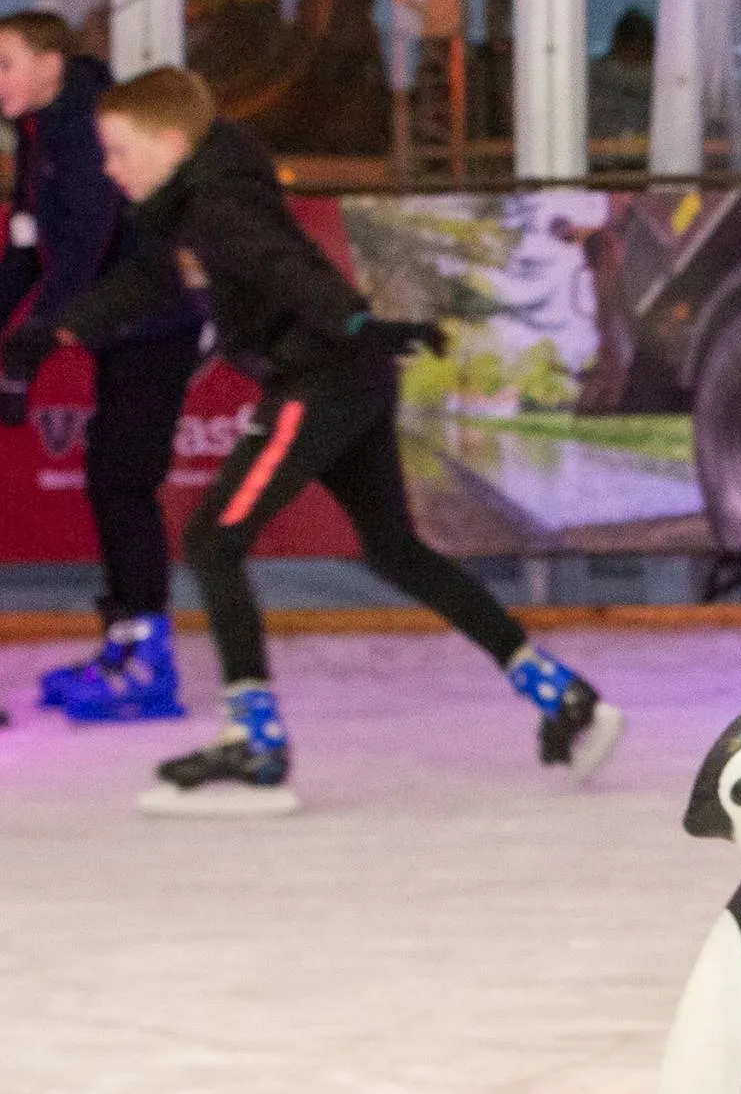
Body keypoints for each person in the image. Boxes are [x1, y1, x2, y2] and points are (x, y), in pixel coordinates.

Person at [49, 65, 615, 816]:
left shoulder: (218, 205)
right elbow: (153, 280)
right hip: (345, 374)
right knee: (394, 550)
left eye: (120, 151)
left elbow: (287, 271)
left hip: (319, 378)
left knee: (214, 540)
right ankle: (561, 693)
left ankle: (257, 744)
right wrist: (59, 330)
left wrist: (356, 322)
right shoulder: (202, 197)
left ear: (171, 141)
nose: (110, 169)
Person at [0, 10, 195, 724]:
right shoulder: (38, 137)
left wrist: (29, 350)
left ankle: (148, 660)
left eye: (5, 63)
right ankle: (126, 642)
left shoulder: (92, 128)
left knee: (123, 482)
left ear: (50, 63)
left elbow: (87, 253)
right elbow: (23, 254)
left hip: (152, 324)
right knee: (111, 482)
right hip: (115, 329)